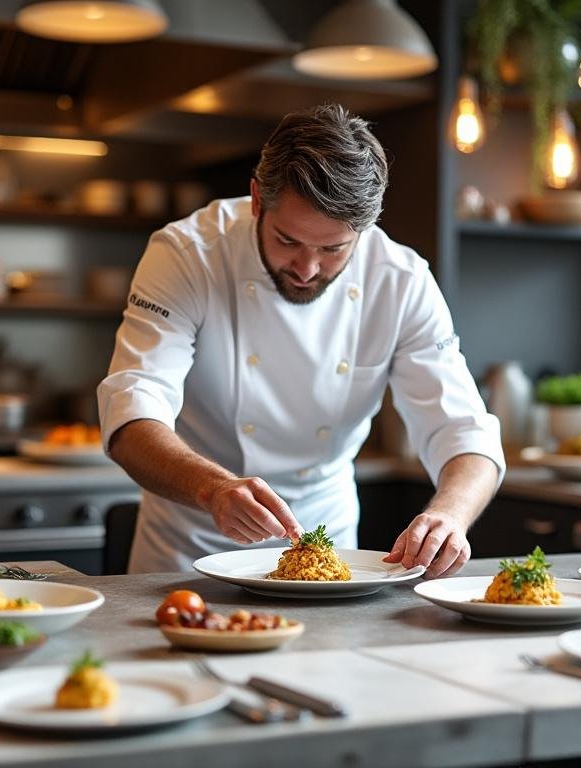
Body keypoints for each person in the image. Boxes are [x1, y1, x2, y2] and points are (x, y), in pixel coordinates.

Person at [98, 103, 505, 575]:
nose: (308, 269)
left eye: (333, 249)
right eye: (288, 241)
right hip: (187, 547)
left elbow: (464, 429)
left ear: (366, 228)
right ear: (256, 199)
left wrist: (449, 515)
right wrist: (212, 489)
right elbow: (132, 410)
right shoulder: (188, 254)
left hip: (325, 550)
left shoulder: (401, 280)